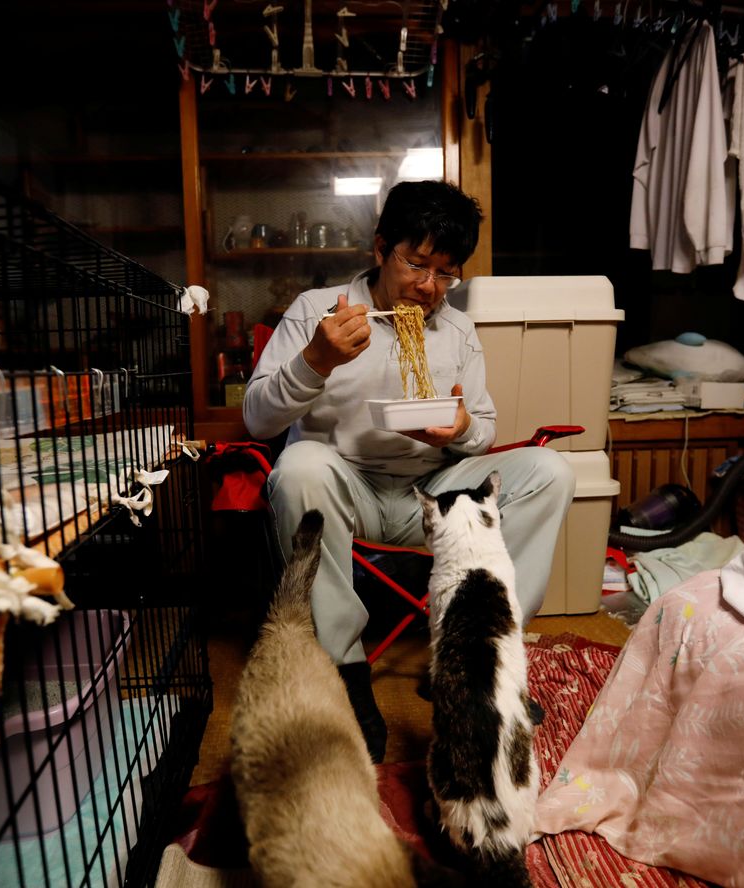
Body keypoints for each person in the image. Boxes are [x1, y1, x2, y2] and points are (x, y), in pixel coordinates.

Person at [243, 180, 574, 762]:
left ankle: (479, 660)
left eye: (446, 273)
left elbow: (484, 428)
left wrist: (462, 430)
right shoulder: (316, 312)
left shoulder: (457, 329)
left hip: (434, 490)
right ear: (379, 248)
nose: (428, 287)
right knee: (298, 466)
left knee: (552, 471)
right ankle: (345, 671)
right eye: (416, 263)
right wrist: (315, 362)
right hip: (347, 486)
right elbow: (257, 421)